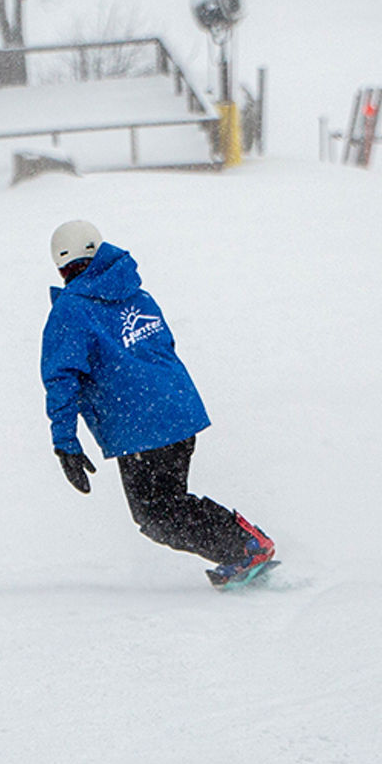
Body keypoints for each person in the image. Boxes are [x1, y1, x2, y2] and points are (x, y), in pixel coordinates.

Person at [40, 220, 274, 587]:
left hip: (140, 427)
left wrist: (65, 441)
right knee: (169, 504)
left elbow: (61, 378)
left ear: (61, 265)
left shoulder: (70, 310)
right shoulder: (137, 294)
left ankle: (245, 547)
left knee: (156, 515)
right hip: (179, 411)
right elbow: (162, 347)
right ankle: (243, 544)